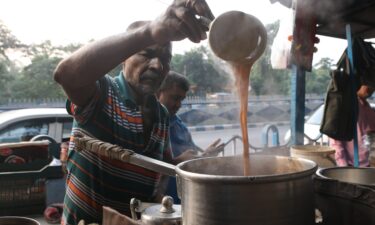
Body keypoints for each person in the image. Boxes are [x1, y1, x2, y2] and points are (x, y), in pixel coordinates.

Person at [53, 1, 214, 224]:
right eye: (147, 54)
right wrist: (149, 32)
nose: (158, 66)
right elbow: (66, 75)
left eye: (166, 59)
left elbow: (159, 176)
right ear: (124, 58)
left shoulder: (161, 115)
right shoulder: (103, 93)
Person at [157, 71, 224, 203]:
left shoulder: (180, 127)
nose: (178, 105)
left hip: (184, 202)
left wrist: (205, 156)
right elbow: (145, 167)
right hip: (160, 204)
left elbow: (192, 162)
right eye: (174, 98)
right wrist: (177, 162)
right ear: (158, 92)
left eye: (181, 100)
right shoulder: (148, 124)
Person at [329, 84, 375, 167]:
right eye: (366, 84)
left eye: (372, 85)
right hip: (353, 166)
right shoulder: (347, 106)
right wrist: (343, 166)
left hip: (371, 164)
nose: (371, 88)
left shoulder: (368, 108)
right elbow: (336, 141)